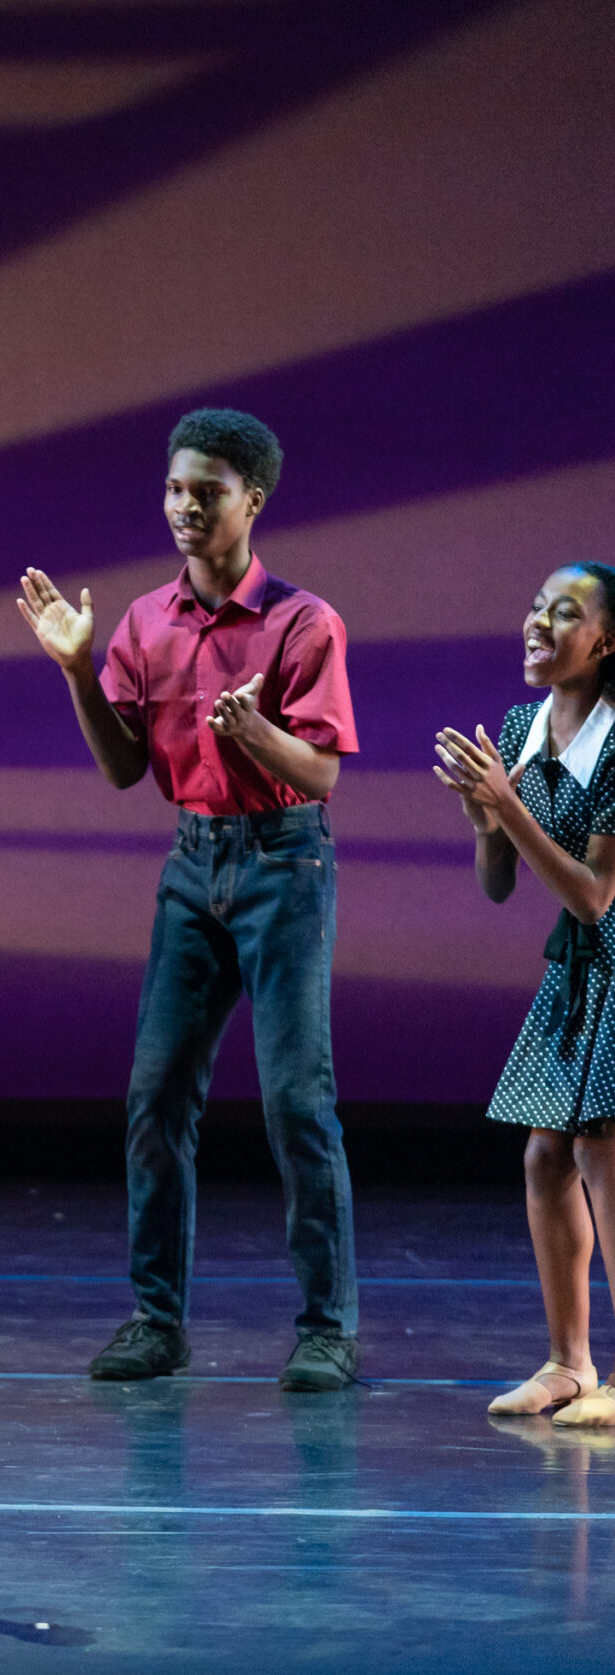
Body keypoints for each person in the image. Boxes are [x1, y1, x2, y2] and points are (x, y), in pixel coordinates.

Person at [16, 407, 362, 1393]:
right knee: (156, 1094)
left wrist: (257, 736)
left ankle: (327, 1327)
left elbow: (322, 774)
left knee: (297, 1100)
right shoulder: (144, 621)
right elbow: (124, 767)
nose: (184, 507)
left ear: (253, 501)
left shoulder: (302, 621)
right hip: (193, 865)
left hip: (283, 864)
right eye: (174, 488)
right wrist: (77, 670)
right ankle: (156, 1319)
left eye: (206, 491)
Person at [433, 564, 615, 1429]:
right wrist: (486, 822)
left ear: (606, 641)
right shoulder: (519, 728)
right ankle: (569, 1362)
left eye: (565, 613)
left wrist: (507, 803)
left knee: (602, 1152)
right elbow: (500, 883)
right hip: (583, 966)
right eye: (538, 607)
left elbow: (593, 895)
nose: (539, 623)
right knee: (546, 1156)